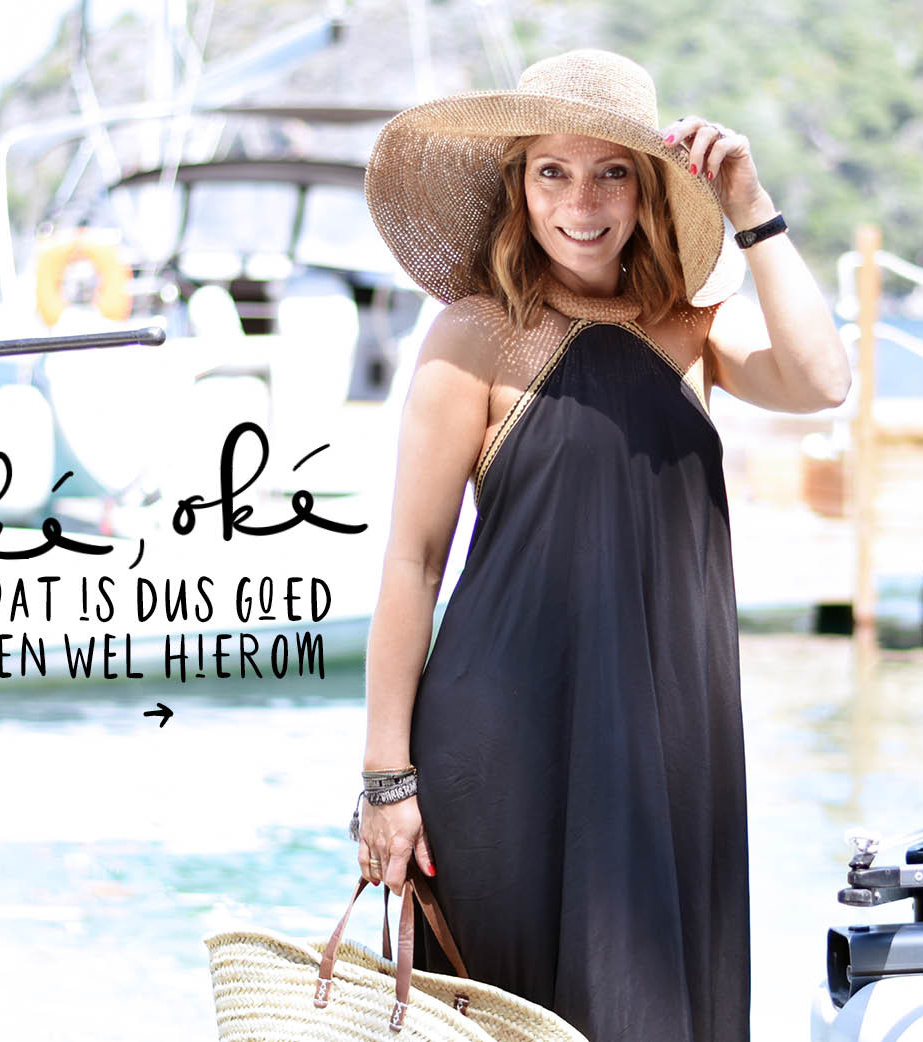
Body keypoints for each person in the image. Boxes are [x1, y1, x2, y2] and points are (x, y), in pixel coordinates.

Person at [353, 49, 849, 1042]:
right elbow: (412, 560)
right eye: (552, 172)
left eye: (608, 172)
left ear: (646, 189)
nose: (580, 201)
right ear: (519, 186)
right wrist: (384, 781)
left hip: (671, 747)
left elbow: (821, 377)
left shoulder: (690, 334)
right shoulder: (473, 336)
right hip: (505, 748)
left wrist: (750, 206)